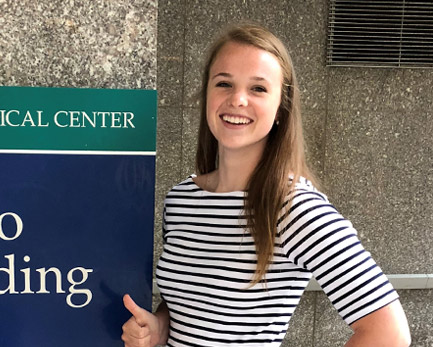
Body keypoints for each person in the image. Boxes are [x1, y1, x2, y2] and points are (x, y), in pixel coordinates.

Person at [121, 23, 411, 347]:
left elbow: (388, 332)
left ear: (280, 108)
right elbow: (187, 308)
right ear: (207, 94)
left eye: (258, 89)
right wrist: (159, 328)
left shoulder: (294, 207)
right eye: (224, 83)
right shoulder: (181, 200)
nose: (237, 100)